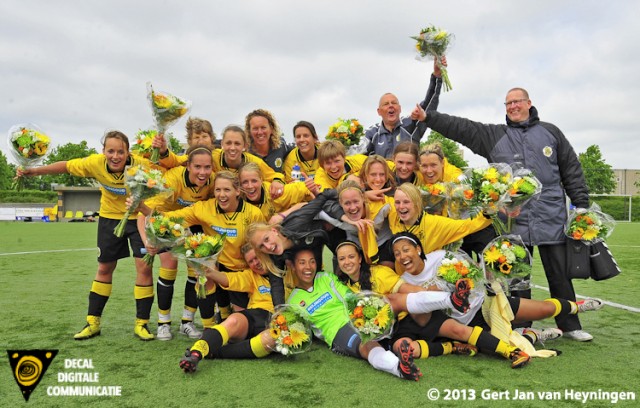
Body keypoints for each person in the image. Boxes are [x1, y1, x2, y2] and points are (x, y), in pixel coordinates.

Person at [412, 87, 594, 341]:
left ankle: (570, 324)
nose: (512, 106)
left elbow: (571, 168)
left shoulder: (551, 132)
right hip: (513, 220)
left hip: (552, 217)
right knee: (517, 274)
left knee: (559, 273)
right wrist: (429, 118)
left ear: (529, 102)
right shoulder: (495, 135)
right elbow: (462, 128)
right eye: (508, 103)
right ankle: (521, 325)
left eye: (517, 101)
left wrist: (581, 204)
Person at [17, 130, 157, 340]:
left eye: (121, 151)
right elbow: (65, 165)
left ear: (128, 152)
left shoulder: (142, 166)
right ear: (103, 151)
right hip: (110, 218)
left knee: (144, 267)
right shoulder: (95, 163)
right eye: (111, 151)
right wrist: (35, 171)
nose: (115, 156)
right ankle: (93, 322)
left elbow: (160, 183)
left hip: (137, 218)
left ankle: (142, 324)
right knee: (104, 267)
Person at [391, 232, 604, 350]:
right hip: (464, 321)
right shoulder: (403, 280)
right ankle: (534, 335)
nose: (403, 256)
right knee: (502, 343)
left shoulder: (440, 257)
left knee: (543, 309)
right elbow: (418, 303)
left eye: (406, 250)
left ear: (418, 249)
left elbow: (472, 274)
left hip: (483, 304)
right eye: (397, 254)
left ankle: (578, 306)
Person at [137, 171, 265, 324]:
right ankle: (208, 327)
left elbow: (260, 245)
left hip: (243, 270)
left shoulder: (253, 213)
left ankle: (227, 318)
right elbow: (171, 218)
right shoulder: (203, 208)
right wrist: (143, 208)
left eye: (227, 190)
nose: (221, 195)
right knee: (203, 273)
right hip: (218, 266)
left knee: (245, 321)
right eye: (218, 190)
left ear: (237, 191)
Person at [286, 248, 422, 381]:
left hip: (357, 318)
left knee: (392, 310)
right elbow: (300, 333)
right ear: (292, 266)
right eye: (302, 262)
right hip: (338, 331)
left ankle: (438, 301)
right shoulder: (293, 301)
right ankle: (397, 368)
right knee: (366, 343)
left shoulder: (326, 277)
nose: (308, 267)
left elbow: (350, 297)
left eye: (312, 261)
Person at [137, 145, 215, 341]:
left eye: (207, 167)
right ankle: (163, 323)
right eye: (198, 167)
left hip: (193, 223)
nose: (203, 172)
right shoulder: (172, 179)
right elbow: (143, 212)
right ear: (188, 165)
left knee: (196, 272)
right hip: (166, 221)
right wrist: (147, 240)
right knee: (169, 266)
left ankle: (187, 322)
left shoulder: (212, 180)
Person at [179, 244, 277, 372]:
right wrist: (209, 272)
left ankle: (215, 352)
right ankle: (195, 353)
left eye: (257, 257)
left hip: (277, 323)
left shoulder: (288, 271)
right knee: (234, 319)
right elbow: (230, 279)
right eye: (251, 261)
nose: (255, 263)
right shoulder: (251, 276)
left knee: (270, 340)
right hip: (256, 315)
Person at [363, 57, 445, 159]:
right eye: (386, 104)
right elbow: (358, 157)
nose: (391, 106)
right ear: (379, 112)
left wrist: (437, 77)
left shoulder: (411, 124)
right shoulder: (371, 133)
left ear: (400, 109)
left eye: (394, 103)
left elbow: (428, 106)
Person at [238, 162, 315, 224]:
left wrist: (282, 215)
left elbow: (306, 188)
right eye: (245, 182)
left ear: (261, 180)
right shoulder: (237, 201)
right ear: (240, 184)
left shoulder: (275, 193)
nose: (250, 186)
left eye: (254, 181)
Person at [245, 109, 292, 174]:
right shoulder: (245, 154)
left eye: (263, 127)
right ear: (249, 131)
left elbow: (299, 153)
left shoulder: (281, 145)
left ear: (271, 129)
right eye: (255, 128)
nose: (260, 132)